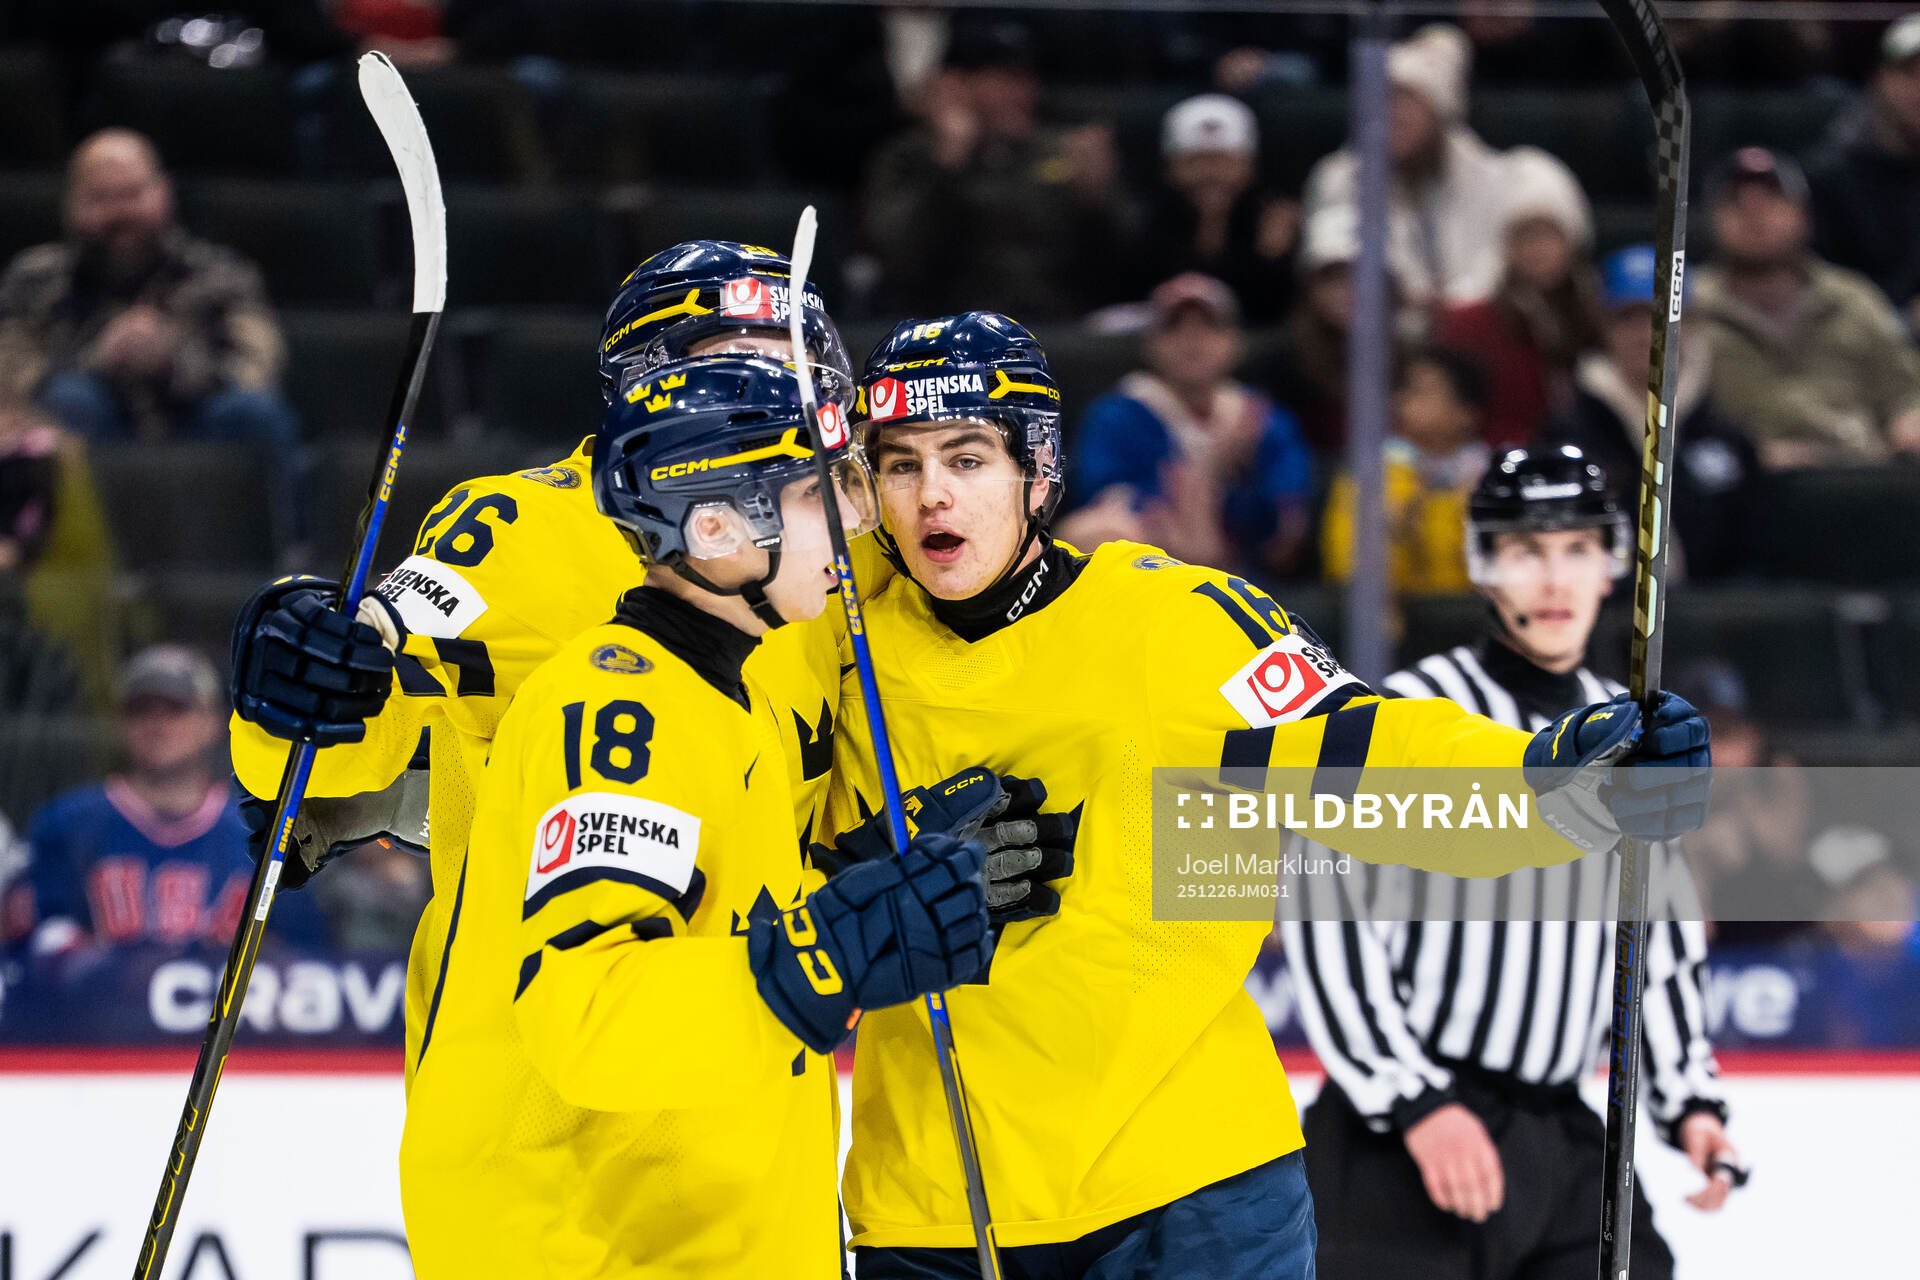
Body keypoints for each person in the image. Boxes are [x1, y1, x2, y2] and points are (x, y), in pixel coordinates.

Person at [826, 312, 1713, 1278]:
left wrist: (1556, 783)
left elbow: (1373, 760)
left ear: (1037, 472)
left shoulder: (1171, 626)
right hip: (935, 1202)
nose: (932, 495)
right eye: (900, 463)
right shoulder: (834, 640)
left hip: (1188, 1184)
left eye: (966, 458)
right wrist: (868, 873)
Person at [398, 353, 993, 1274]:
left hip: (713, 1232)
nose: (855, 524)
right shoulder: (612, 709)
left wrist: (851, 880)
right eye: (815, 497)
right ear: (715, 526)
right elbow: (590, 1014)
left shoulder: (734, 694)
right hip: (607, 1247)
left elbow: (710, 920)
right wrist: (826, 954)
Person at [227, 241, 867, 1086]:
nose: (791, 395)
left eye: (803, 367)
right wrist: (293, 681)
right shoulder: (521, 530)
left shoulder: (834, 569)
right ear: (653, 384)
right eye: (748, 367)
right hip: (539, 1117)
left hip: (756, 1111)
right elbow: (337, 748)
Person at [1283, 445, 1739, 1280]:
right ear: (1483, 565)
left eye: (1575, 549)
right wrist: (1414, 1103)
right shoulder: (1411, 712)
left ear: (1612, 565)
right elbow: (1326, 911)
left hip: (1559, 1136)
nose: (1554, 579)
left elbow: (1658, 935)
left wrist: (1689, 1101)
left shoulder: (1633, 733)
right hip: (1402, 1136)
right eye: (1527, 551)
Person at [0, 130, 304, 547]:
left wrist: (172, 361)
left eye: (131, 194)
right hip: (91, 438)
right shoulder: (35, 279)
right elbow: (12, 379)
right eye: (101, 198)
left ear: (163, 192)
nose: (118, 212)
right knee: (69, 401)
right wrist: (100, 359)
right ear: (71, 204)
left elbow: (258, 365)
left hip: (198, 425)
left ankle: (288, 566)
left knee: (257, 411)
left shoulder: (221, 272)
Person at [2, 645, 326, 959]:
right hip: (97, 1014)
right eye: (140, 709)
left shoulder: (263, 838)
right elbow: (26, 949)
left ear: (211, 723)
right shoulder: (66, 824)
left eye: (175, 709)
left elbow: (308, 962)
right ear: (120, 723)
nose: (157, 724)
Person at [1301, 23, 1586, 309]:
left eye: (1407, 99)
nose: (1395, 114)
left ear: (1439, 111)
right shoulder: (1340, 178)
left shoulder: (1517, 176)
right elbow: (1338, 269)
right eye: (1382, 99)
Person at [864, 19, 1132, 318]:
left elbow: (1122, 267)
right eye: (1005, 79)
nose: (1021, 92)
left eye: (1027, 79)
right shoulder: (911, 156)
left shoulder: (1063, 150)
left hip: (1056, 327)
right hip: (950, 327)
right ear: (958, 84)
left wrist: (1096, 201)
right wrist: (949, 163)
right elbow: (903, 258)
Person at [1058, 272, 1313, 578]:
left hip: (1243, 572)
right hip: (1150, 564)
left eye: (1209, 326)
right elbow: (1104, 499)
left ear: (1235, 341)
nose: (1192, 340)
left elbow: (1286, 533)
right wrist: (1196, 483)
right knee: (1089, 531)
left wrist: (1233, 488)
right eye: (1174, 327)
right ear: (1151, 343)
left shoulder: (1262, 419)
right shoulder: (1118, 414)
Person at [1694, 146, 1920, 465]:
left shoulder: (1854, 299)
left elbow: (1907, 390)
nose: (1754, 213)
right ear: (1711, 220)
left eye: (1772, 200)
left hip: (1857, 475)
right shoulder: (1687, 310)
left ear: (1804, 215)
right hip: (1744, 485)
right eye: (1736, 203)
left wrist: (1909, 422)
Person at [1549, 244, 1758, 579]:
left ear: (1689, 325)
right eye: (1626, 318)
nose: (1645, 334)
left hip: (1711, 620)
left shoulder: (1725, 438)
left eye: (1661, 317)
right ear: (1603, 326)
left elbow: (1752, 555)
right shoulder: (1570, 436)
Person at [1432, 149, 1599, 447]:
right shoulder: (1471, 323)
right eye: (1525, 236)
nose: (1537, 249)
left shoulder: (1593, 315)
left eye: (1549, 234)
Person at [1321, 346, 1490, 595]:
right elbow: (1346, 564)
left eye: (1423, 392)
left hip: (1467, 617)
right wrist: (1400, 522)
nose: (1404, 401)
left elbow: (1498, 575)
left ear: (1466, 413)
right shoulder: (1373, 474)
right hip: (1395, 620)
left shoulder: (1491, 480)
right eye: (1407, 390)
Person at [1131, 94, 1299, 323]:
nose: (1211, 174)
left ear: (1249, 167)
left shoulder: (1271, 220)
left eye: (1223, 161)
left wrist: (1273, 260)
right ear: (1169, 169)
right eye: (1195, 161)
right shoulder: (1147, 222)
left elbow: (1279, 311)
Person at [1809, 15, 1920, 330]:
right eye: (1910, 73)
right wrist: (1902, 318)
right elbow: (1819, 291)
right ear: (1878, 80)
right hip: (1858, 347)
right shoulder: (1831, 179)